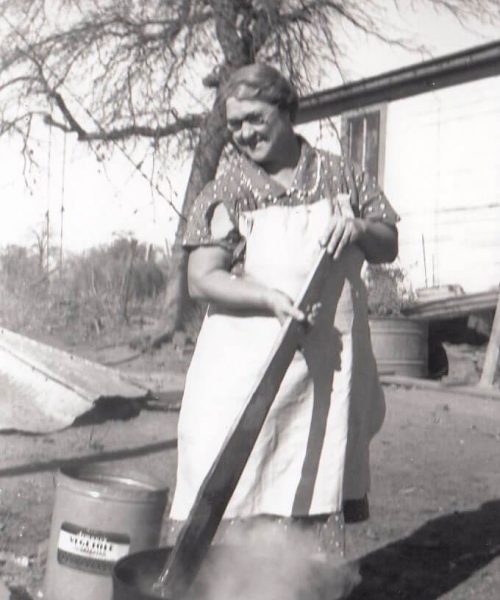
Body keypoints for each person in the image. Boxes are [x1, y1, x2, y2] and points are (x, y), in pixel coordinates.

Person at [168, 63, 399, 555]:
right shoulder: (226, 189)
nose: (245, 133)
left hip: (323, 372)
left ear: (285, 109)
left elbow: (388, 243)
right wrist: (266, 298)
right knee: (235, 476)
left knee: (310, 475)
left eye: (255, 118)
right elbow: (201, 279)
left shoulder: (342, 176)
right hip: (242, 372)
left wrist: (359, 229)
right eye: (234, 125)